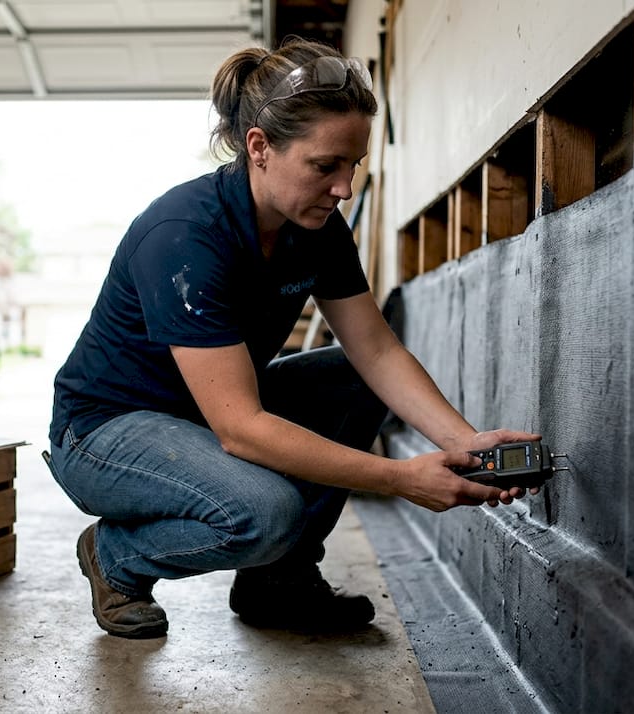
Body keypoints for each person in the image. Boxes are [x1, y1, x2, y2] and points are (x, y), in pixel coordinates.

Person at [46, 37, 540, 640]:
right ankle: (117, 557)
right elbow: (241, 428)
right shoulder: (183, 236)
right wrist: (400, 478)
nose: (344, 189)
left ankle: (278, 580)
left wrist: (467, 444)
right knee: (264, 512)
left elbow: (377, 351)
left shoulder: (318, 228)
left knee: (350, 379)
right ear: (259, 147)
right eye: (324, 165)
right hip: (106, 432)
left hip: (206, 417)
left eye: (353, 165)